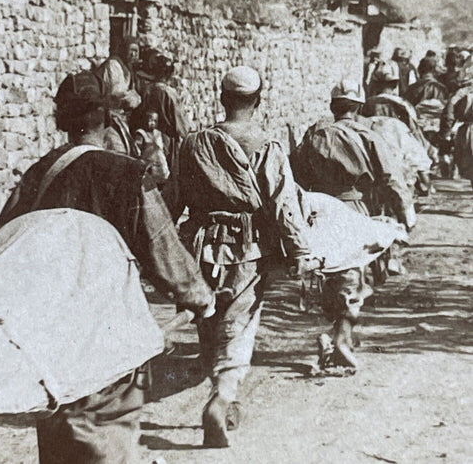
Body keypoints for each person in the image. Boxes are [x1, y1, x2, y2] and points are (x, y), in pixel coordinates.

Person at [0, 70, 215, 464]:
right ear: (109, 117)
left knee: (60, 435)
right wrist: (198, 297)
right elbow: (162, 246)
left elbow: (3, 245)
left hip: (52, 336)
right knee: (106, 436)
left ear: (61, 120)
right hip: (108, 333)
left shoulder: (38, 175)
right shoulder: (126, 175)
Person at [178, 66, 313, 448]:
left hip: (201, 246)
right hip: (248, 249)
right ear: (258, 101)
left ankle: (220, 387)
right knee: (241, 323)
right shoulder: (266, 146)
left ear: (222, 98)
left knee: (209, 317)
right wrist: (300, 251)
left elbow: (174, 198)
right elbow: (284, 203)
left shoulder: (193, 143)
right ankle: (222, 397)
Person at [291, 80, 415, 369]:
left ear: (333, 106)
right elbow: (389, 177)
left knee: (332, 273)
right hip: (354, 209)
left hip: (318, 210)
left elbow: (294, 175)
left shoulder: (314, 135)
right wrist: (405, 210)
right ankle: (340, 338)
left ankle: (338, 335)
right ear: (359, 106)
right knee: (356, 275)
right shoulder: (367, 134)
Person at [132, 50, 190, 218]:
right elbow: (181, 126)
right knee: (171, 182)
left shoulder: (148, 90)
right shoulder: (169, 94)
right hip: (168, 142)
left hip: (151, 139)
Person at [360, 61, 434, 157]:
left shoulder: (367, 104)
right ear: (395, 84)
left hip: (375, 152)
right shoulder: (403, 105)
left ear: (374, 84)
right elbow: (415, 134)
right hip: (400, 153)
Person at [95, 36, 142, 156]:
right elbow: (119, 95)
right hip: (109, 117)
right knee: (117, 151)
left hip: (120, 118)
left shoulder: (127, 69)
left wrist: (135, 97)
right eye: (131, 50)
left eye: (136, 51)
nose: (133, 54)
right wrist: (134, 98)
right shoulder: (114, 65)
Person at [134, 107, 170, 185]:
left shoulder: (158, 133)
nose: (152, 123)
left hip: (160, 165)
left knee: (161, 184)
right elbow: (137, 150)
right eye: (150, 120)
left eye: (155, 121)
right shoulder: (141, 133)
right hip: (149, 165)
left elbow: (163, 148)